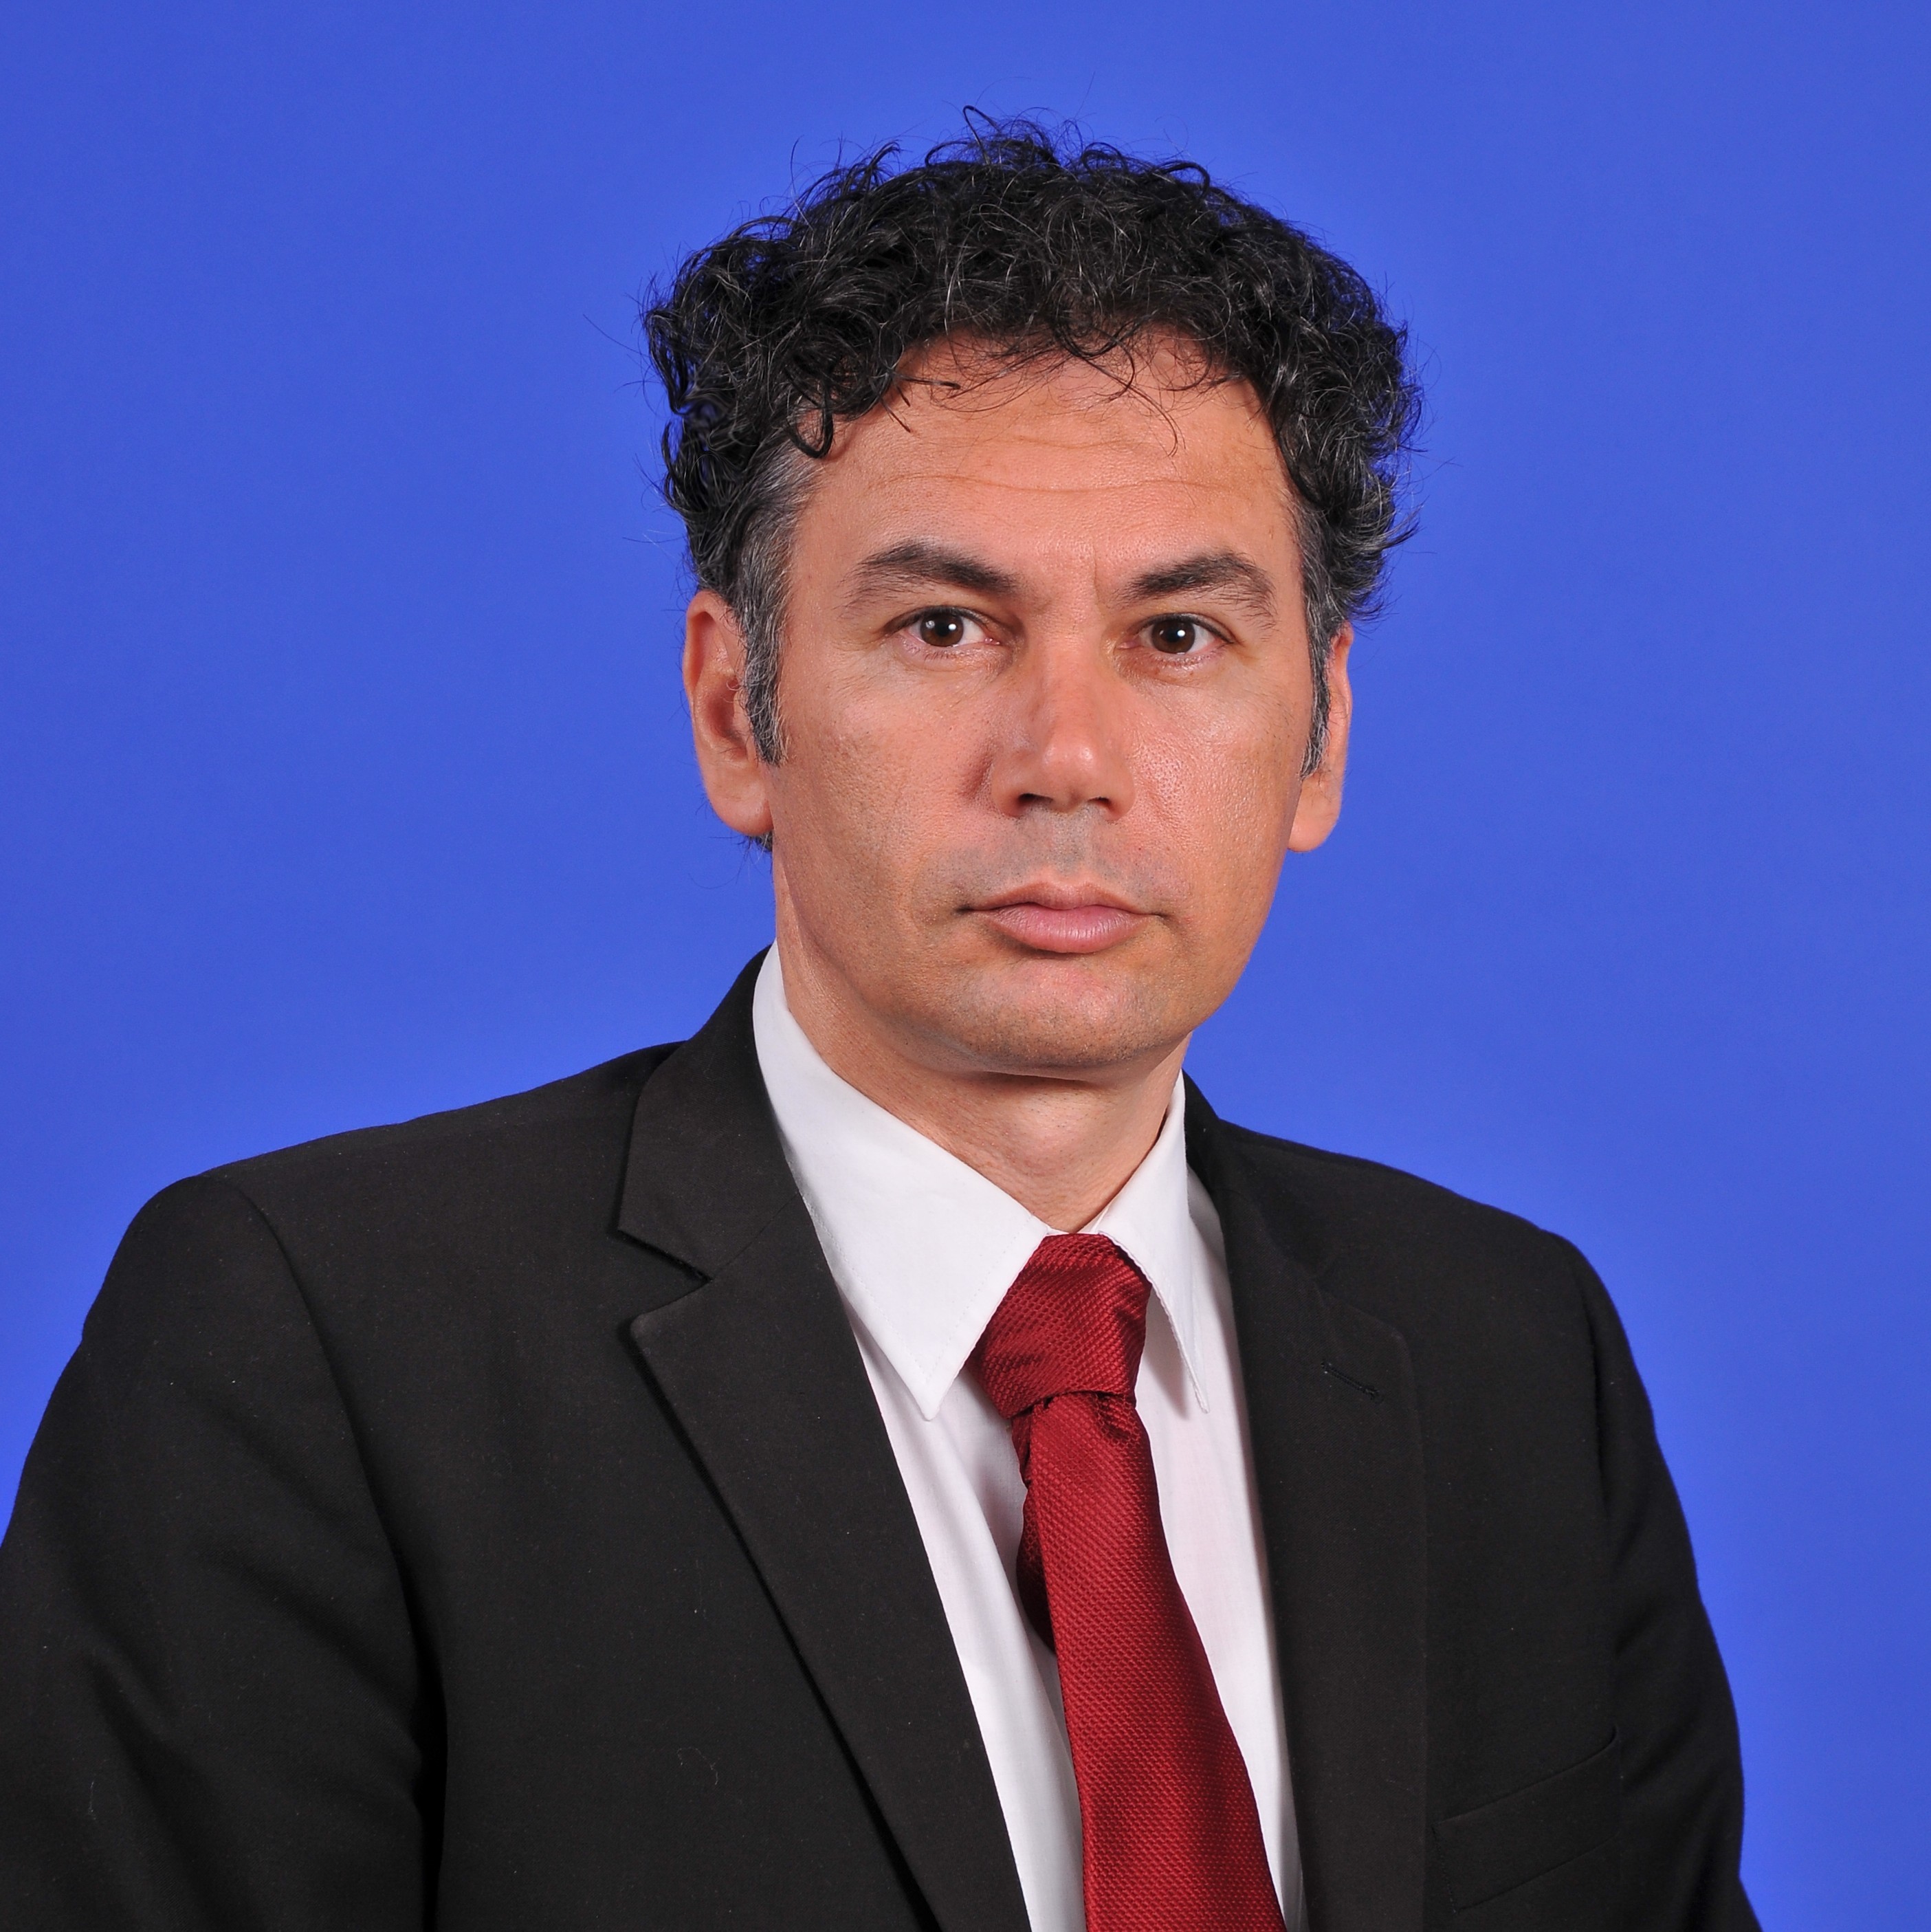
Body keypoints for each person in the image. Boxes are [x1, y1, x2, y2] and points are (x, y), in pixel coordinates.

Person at [0, 122, 1756, 1931]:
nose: (1065, 759)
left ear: (1318, 737)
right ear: (735, 712)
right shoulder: (311, 1342)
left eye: (1176, 635)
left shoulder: (1508, 1354)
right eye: (942, 626)